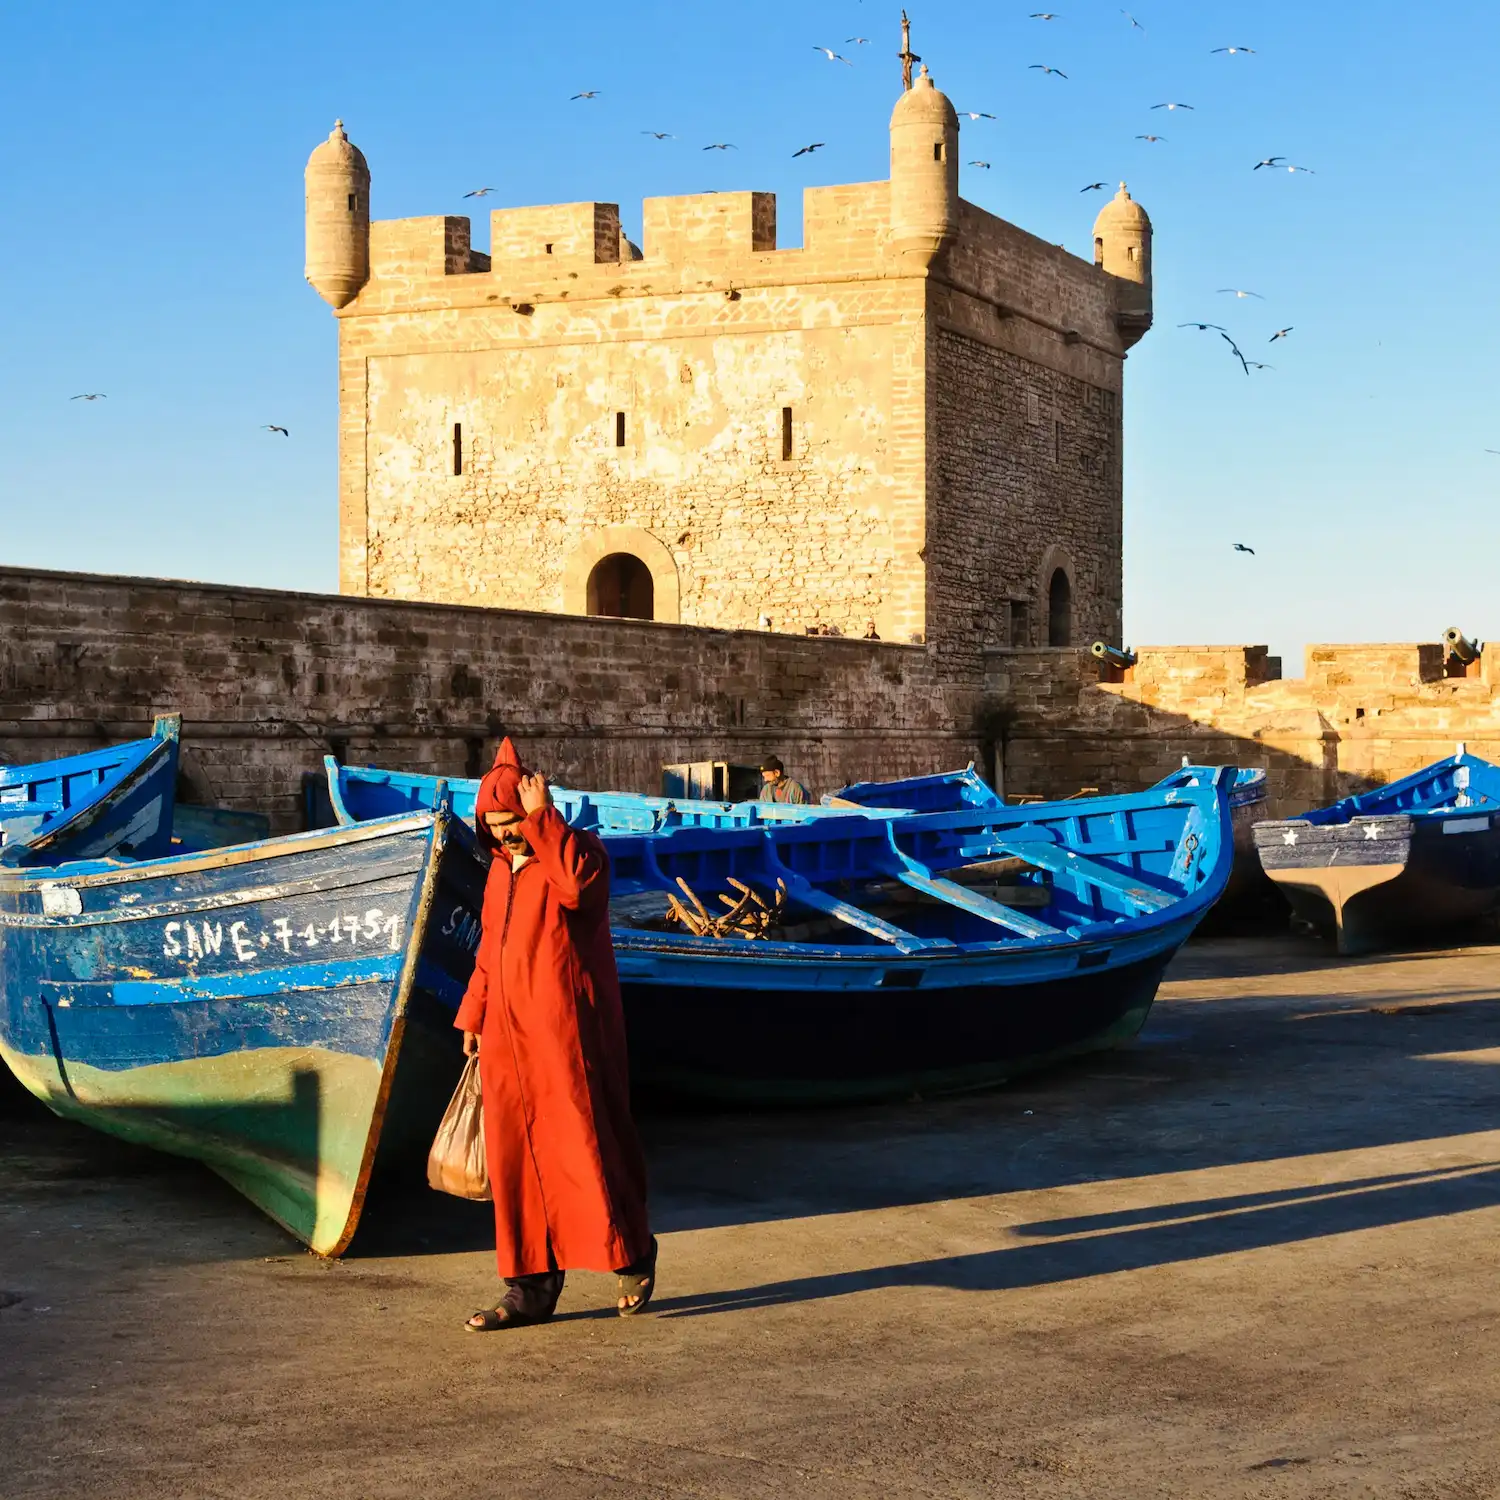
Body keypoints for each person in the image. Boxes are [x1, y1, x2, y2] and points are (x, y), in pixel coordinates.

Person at [455, 738, 656, 1331]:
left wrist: (545, 821)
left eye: (512, 824)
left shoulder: (576, 852)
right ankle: (528, 1291)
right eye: (495, 828)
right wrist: (473, 1015)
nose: (506, 837)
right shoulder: (498, 874)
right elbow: (488, 952)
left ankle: (634, 1253)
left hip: (566, 1038)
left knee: (588, 1148)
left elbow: (579, 891)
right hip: (505, 1043)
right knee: (517, 1166)